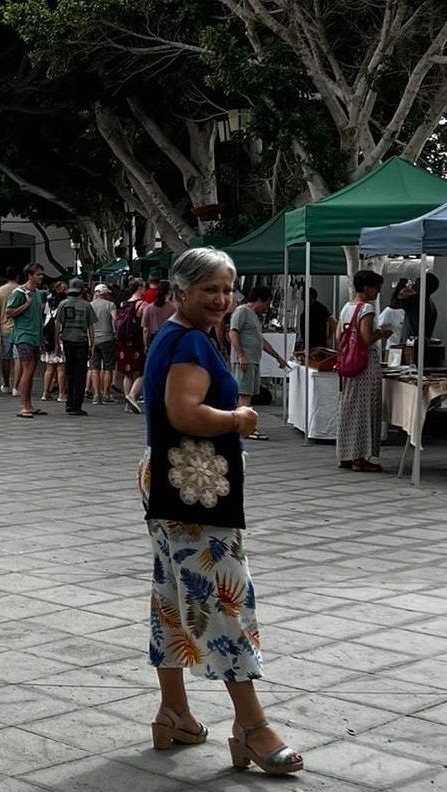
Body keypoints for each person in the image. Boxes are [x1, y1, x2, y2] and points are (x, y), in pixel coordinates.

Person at [141, 247, 303, 777]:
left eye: (227, 290)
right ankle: (252, 726)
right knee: (226, 601)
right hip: (196, 491)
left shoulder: (174, 334)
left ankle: (175, 712)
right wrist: (240, 418)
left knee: (173, 597)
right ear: (180, 291)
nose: (221, 299)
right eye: (209, 289)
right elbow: (184, 411)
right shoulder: (188, 341)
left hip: (170, 483)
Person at [336, 270, 392, 471]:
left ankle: (345, 454)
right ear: (367, 288)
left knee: (348, 408)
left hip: (348, 363)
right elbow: (367, 338)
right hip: (364, 365)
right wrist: (381, 333)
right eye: (376, 288)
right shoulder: (366, 309)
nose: (377, 292)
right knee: (365, 410)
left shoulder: (346, 307)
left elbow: (338, 335)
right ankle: (360, 457)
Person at [230, 287, 287, 439]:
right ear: (259, 300)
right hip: (245, 360)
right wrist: (241, 355)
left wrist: (277, 357)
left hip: (253, 360)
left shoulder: (254, 316)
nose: (266, 308)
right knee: (245, 395)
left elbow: (261, 340)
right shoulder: (242, 311)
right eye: (266, 304)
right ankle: (246, 428)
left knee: (248, 394)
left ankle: (244, 425)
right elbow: (233, 332)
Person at [6, 263, 47, 418]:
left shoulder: (37, 293)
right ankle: (23, 405)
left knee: (31, 370)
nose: (41, 277)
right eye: (38, 274)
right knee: (27, 370)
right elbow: (9, 312)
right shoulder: (19, 292)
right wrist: (25, 305)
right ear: (30, 275)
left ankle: (29, 404)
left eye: (41, 274)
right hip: (23, 336)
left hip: (35, 336)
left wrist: (42, 339)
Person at [55, 278, 96, 415]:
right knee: (80, 374)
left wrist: (56, 344)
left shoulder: (63, 304)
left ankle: (69, 403)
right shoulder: (86, 305)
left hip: (67, 341)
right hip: (81, 342)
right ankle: (77, 406)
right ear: (82, 290)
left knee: (69, 373)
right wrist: (92, 345)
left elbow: (58, 325)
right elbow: (90, 327)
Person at [117, 278, 147, 414]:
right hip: (137, 340)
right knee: (141, 370)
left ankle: (127, 403)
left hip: (124, 341)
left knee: (127, 372)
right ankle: (132, 395)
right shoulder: (141, 304)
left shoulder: (124, 303)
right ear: (140, 288)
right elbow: (144, 325)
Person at [0, 268, 21, 394]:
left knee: (6, 358)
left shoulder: (0, 291)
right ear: (17, 276)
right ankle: (16, 386)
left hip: (5, 327)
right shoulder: (21, 290)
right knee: (18, 358)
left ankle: (6, 384)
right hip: (20, 328)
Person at [90, 284, 117, 405]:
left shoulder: (89, 305)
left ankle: (96, 395)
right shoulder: (110, 305)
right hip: (108, 338)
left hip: (93, 340)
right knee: (108, 367)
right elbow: (114, 319)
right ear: (105, 293)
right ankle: (106, 394)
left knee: (94, 368)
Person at [40, 290, 67, 403]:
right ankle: (61, 394)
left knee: (49, 369)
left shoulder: (48, 312)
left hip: (48, 343)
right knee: (61, 369)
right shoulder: (62, 312)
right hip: (59, 343)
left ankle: (45, 393)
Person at [401, 272, 440, 342]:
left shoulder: (417, 301)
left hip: (412, 345)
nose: (414, 283)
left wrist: (401, 288)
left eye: (418, 281)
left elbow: (394, 304)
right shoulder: (430, 304)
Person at [141, 280, 177, 351]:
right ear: (169, 292)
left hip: (154, 338)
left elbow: (145, 329)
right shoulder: (174, 308)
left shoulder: (149, 308)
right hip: (169, 338)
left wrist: (145, 345)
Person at [377, 281, 410, 351]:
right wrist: (385, 333)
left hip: (409, 349)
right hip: (394, 349)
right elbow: (377, 327)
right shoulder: (390, 311)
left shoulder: (412, 310)